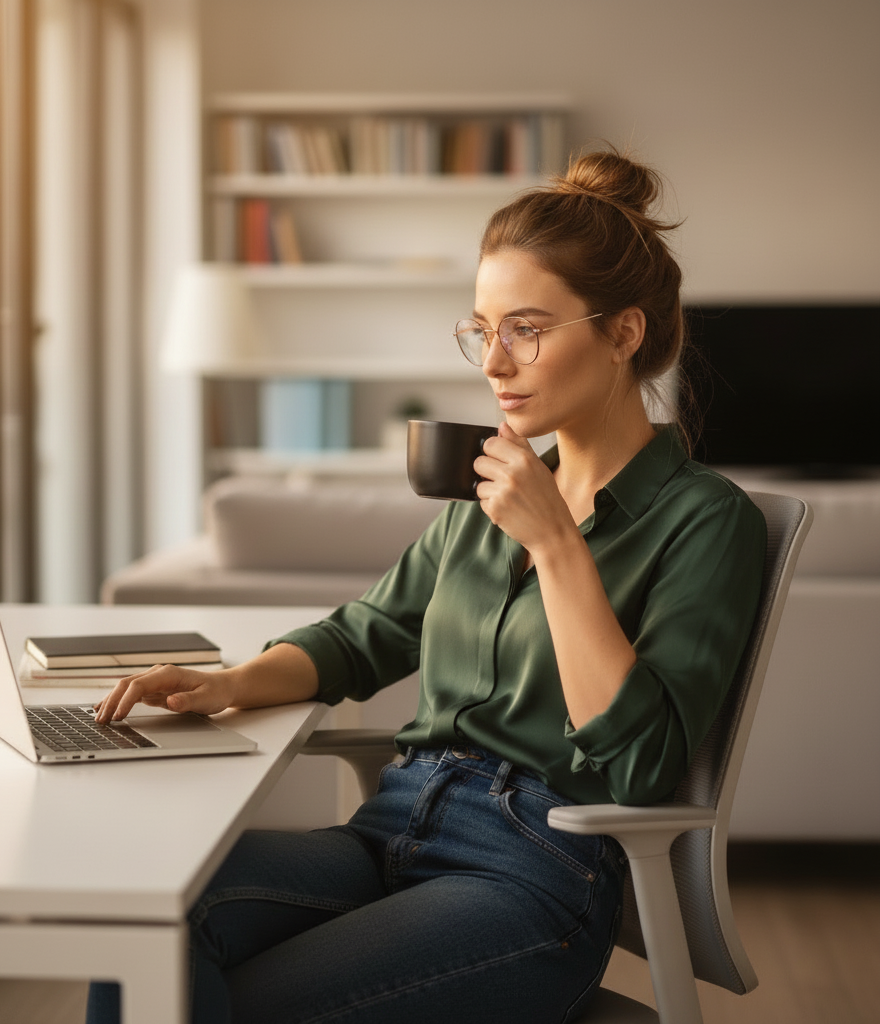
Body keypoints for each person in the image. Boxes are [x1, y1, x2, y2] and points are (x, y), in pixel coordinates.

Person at [87, 147, 766, 1024]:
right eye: (482, 330)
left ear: (623, 333)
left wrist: (557, 543)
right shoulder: (487, 497)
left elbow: (640, 769)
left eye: (526, 329)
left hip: (534, 872)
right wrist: (228, 683)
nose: (494, 363)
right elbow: (363, 636)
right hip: (393, 826)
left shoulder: (706, 520)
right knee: (141, 923)